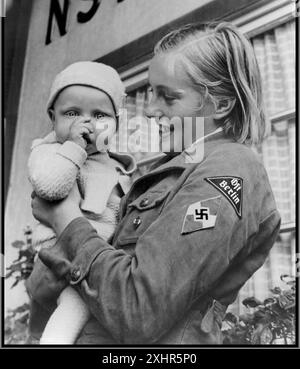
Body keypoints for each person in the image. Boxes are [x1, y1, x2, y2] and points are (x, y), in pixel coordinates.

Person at [27, 22, 281, 345]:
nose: (149, 110)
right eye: (151, 92)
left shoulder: (228, 173)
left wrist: (65, 220)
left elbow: (139, 308)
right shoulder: (181, 164)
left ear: (221, 104)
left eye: (169, 97)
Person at [27, 61, 136, 344]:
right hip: (60, 255)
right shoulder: (49, 151)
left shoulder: (116, 165)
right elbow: (50, 188)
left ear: (117, 123)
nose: (85, 123)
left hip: (97, 261)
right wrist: (74, 148)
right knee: (75, 308)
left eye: (99, 114)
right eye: (72, 113)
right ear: (53, 117)